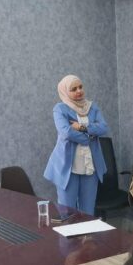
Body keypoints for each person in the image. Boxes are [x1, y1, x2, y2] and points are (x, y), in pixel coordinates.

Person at [44, 75, 109, 215]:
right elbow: (66, 132)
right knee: (67, 212)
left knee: (88, 212)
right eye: (73, 89)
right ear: (65, 92)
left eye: (80, 87)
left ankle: (86, 231)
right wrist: (88, 138)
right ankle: (68, 232)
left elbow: (103, 128)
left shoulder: (92, 107)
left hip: (90, 167)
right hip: (68, 168)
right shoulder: (60, 109)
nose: (79, 91)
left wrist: (82, 127)